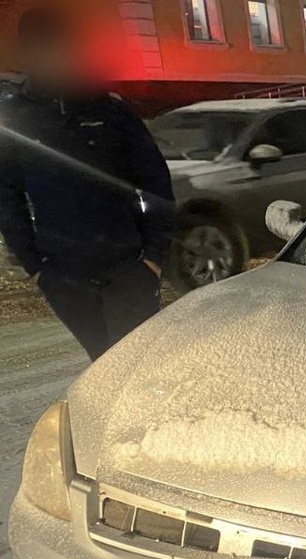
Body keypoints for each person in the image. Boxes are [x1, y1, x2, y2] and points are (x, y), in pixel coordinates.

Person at [0, 6, 174, 361]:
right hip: (64, 278)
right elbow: (7, 196)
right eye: (43, 51)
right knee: (101, 365)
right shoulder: (16, 119)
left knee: (136, 364)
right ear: (30, 54)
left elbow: (155, 182)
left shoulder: (109, 111)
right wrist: (35, 268)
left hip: (128, 269)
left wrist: (152, 258)